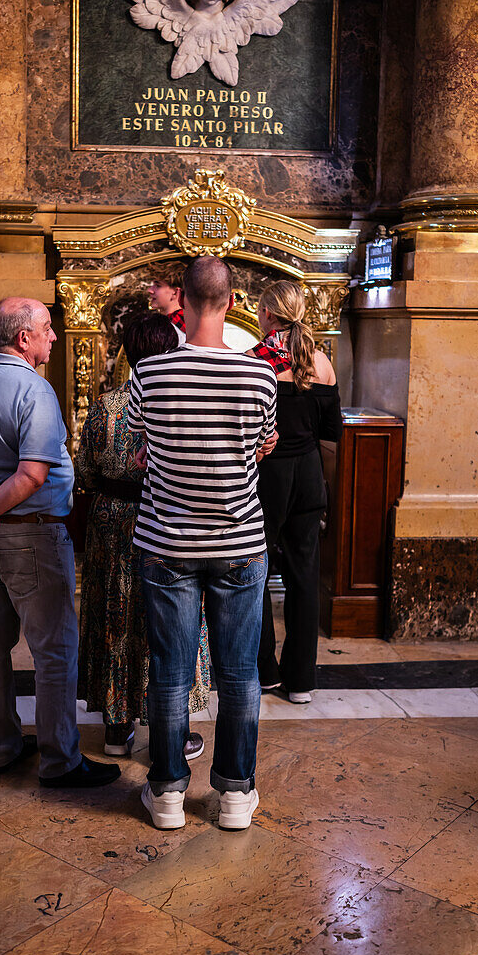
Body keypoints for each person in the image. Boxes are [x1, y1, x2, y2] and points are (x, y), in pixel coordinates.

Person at [0, 297, 119, 789]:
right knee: (55, 648)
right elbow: (33, 473)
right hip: (29, 535)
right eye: (47, 329)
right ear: (23, 339)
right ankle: (60, 761)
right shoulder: (33, 391)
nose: (54, 337)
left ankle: (1, 748)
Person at [129, 256, 277, 832]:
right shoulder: (259, 377)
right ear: (232, 303)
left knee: (170, 670)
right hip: (240, 539)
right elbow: (260, 446)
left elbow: (148, 446)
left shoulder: (151, 375)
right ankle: (236, 793)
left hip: (166, 540)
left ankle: (167, 792)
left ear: (180, 305)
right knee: (239, 672)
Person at [76, 313, 209, 757]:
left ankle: (116, 729)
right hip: (165, 518)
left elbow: (85, 473)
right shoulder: (180, 404)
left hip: (111, 521)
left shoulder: (104, 406)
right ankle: (171, 732)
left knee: (115, 616)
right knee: (169, 621)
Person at [248, 280, 343, 702]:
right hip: (308, 474)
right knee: (304, 576)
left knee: (257, 573)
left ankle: (265, 671)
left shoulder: (256, 359)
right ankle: (301, 681)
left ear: (268, 314)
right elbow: (330, 436)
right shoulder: (321, 362)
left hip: (267, 474)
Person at [147, 260, 187, 339]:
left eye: (158, 285)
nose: (150, 290)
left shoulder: (174, 327)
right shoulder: (193, 323)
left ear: (175, 292)